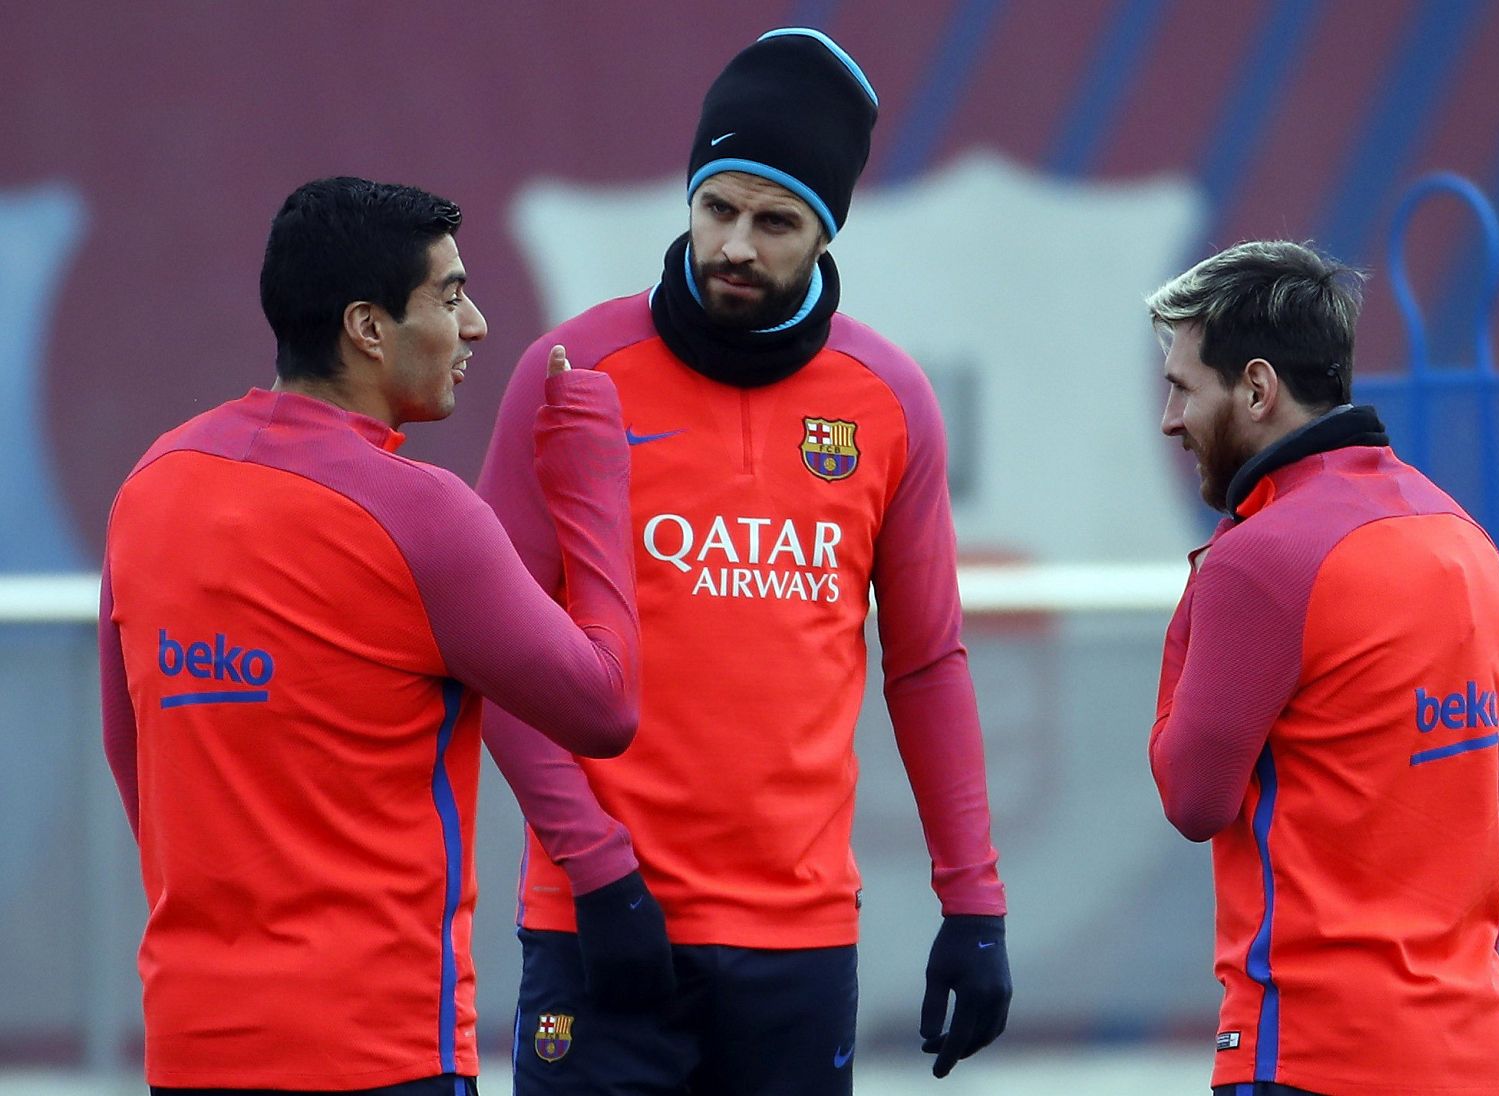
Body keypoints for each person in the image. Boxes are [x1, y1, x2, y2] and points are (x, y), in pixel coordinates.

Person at [477, 27, 1010, 1094]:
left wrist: (975, 903)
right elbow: (497, 653)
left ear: (825, 234)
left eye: (775, 222)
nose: (735, 244)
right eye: (716, 207)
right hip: (600, 929)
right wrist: (599, 872)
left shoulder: (888, 399)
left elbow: (927, 665)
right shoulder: (572, 371)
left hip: (798, 939)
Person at [98, 176, 641, 1096]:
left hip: (194, 1047)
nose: (473, 328)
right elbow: (605, 705)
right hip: (380, 1054)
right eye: (452, 296)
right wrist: (592, 477)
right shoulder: (419, 511)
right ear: (369, 328)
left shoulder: (152, 483)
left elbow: (132, 755)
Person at [1146, 240, 1499, 1095]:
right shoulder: (1463, 538)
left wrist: (1198, 599)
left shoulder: (1261, 559)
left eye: (1181, 386)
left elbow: (1191, 797)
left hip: (1311, 1055)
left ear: (1255, 388)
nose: (1169, 419)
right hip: (1471, 1053)